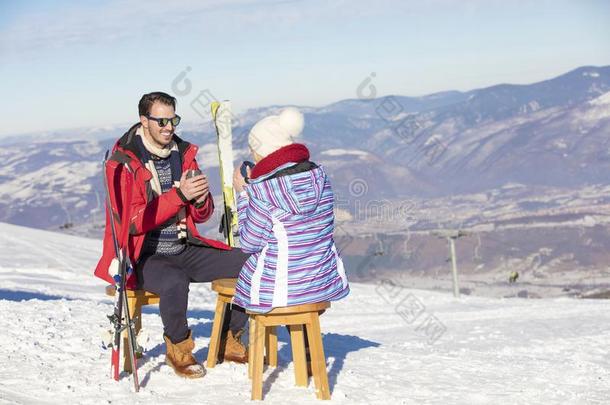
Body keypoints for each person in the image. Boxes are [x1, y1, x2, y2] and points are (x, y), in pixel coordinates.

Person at [94, 92, 249, 379]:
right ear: (144, 120)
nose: (169, 127)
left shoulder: (183, 153)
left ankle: (230, 337)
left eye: (173, 119)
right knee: (175, 281)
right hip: (143, 256)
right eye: (162, 120)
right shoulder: (123, 163)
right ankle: (179, 349)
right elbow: (133, 223)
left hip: (183, 245)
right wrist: (179, 195)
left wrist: (201, 201)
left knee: (248, 262)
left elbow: (201, 215)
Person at [231, 107, 350, 314]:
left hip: (279, 292)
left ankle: (232, 340)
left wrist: (243, 195)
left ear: (262, 150)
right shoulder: (320, 178)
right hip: (322, 284)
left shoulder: (262, 192)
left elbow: (249, 243)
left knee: (244, 282)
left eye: (253, 150)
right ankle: (304, 345)